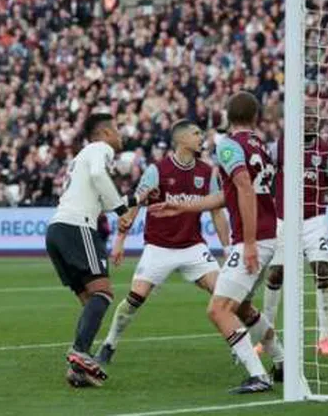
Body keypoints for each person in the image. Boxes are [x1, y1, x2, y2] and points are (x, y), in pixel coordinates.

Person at [150, 91, 283, 394]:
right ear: (255, 118)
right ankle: (282, 360)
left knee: (218, 309)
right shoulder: (259, 146)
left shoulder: (228, 146)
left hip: (254, 238)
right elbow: (229, 195)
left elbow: (245, 189)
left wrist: (248, 243)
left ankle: (258, 375)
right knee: (245, 308)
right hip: (266, 234)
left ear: (226, 116)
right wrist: (183, 205)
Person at [96, 120, 232, 364]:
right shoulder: (157, 170)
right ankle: (109, 344)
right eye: (196, 133)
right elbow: (135, 205)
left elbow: (217, 212)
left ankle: (237, 347)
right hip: (158, 247)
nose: (202, 137)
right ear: (181, 140)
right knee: (135, 298)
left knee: (225, 293)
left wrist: (228, 248)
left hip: (193, 246)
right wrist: (119, 241)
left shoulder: (207, 171)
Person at [44, 112, 147, 388]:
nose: (120, 135)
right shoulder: (100, 150)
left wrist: (135, 199)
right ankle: (79, 353)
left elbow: (98, 199)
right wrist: (123, 211)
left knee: (91, 300)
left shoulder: (81, 157)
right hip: (77, 228)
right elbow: (100, 177)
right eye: (116, 130)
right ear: (103, 134)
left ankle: (78, 370)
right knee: (103, 292)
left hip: (57, 230)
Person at [261, 108, 328, 357]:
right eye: (305, 118)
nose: (309, 122)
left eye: (313, 119)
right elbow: (264, 178)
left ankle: (323, 338)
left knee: (322, 271)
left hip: (314, 220)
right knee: (276, 273)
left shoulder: (325, 151)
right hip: (284, 220)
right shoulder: (279, 147)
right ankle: (267, 334)